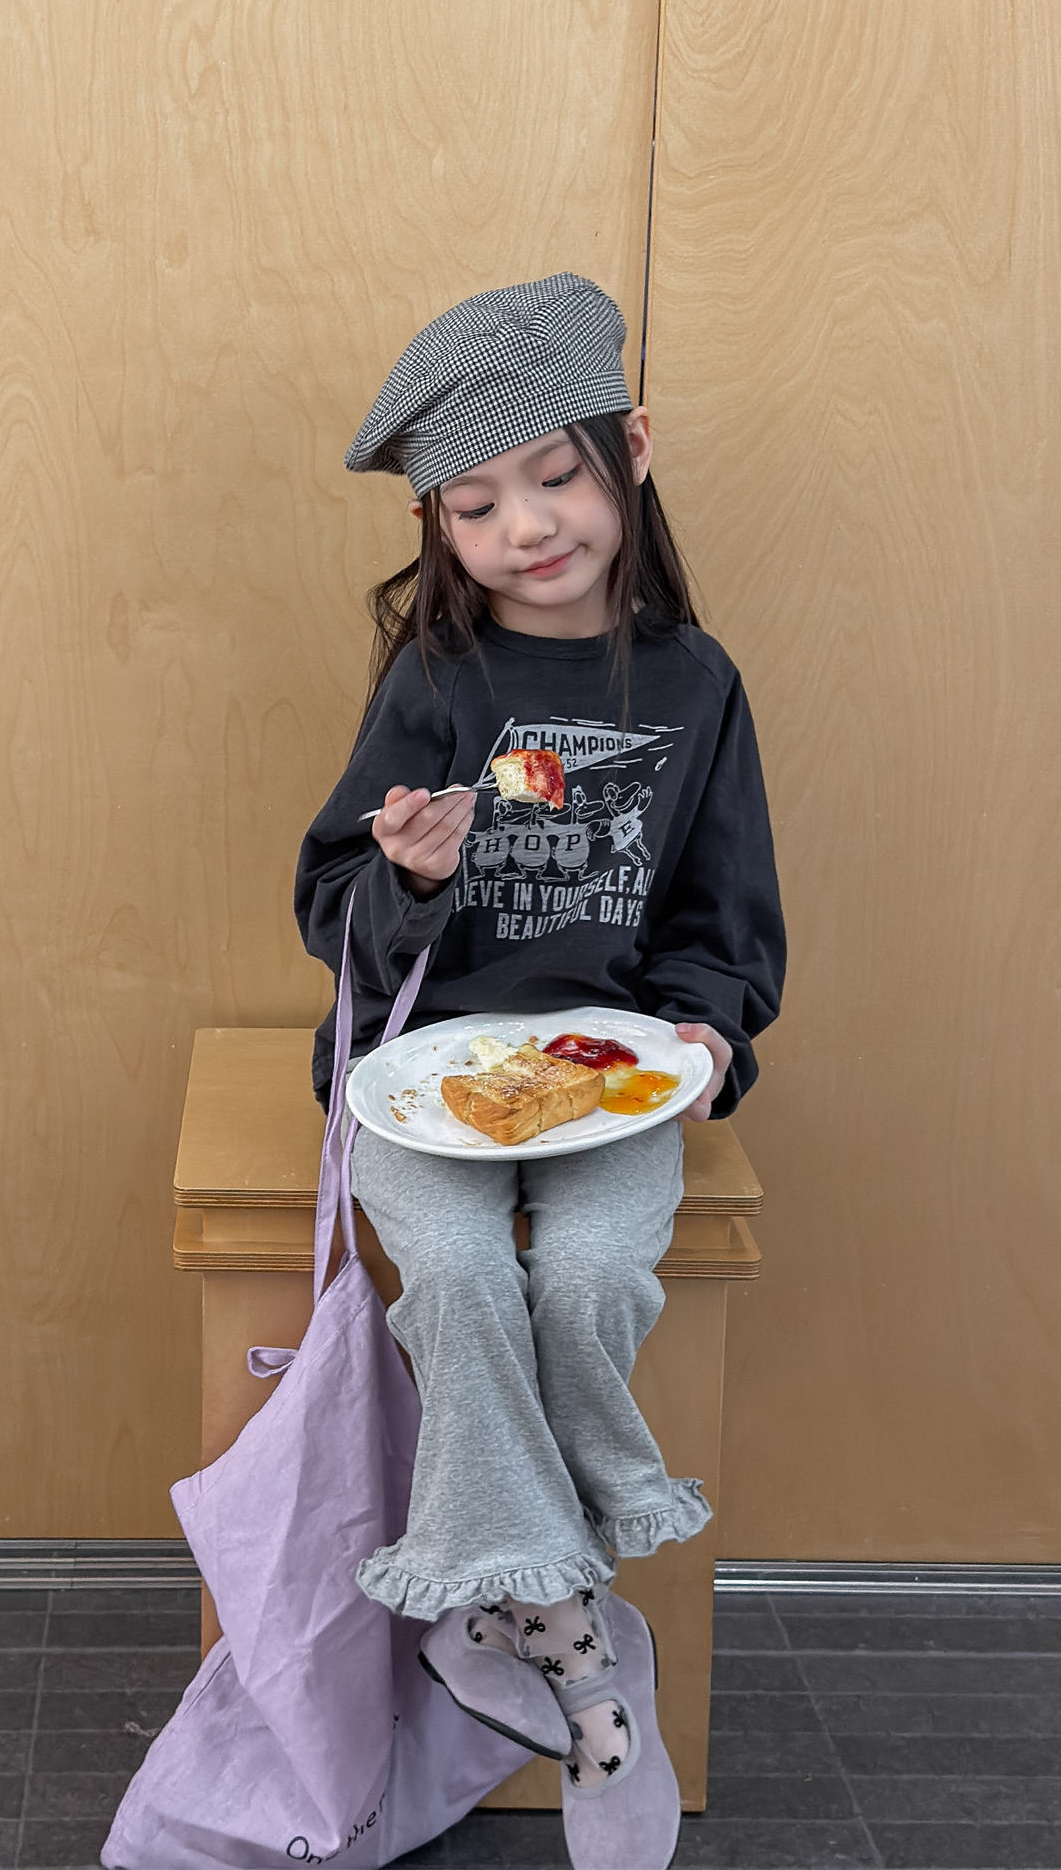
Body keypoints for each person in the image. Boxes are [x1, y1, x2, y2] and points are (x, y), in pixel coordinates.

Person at [294, 274, 786, 1868]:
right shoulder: (437, 683)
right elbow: (330, 912)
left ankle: (502, 1604)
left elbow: (725, 918)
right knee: (450, 1273)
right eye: (476, 504)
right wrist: (409, 876)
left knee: (583, 1280)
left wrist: (706, 1030)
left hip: (606, 1073)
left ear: (629, 451)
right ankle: (579, 1642)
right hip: (418, 1066)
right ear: (437, 526)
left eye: (555, 477)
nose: (526, 528)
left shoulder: (698, 686)